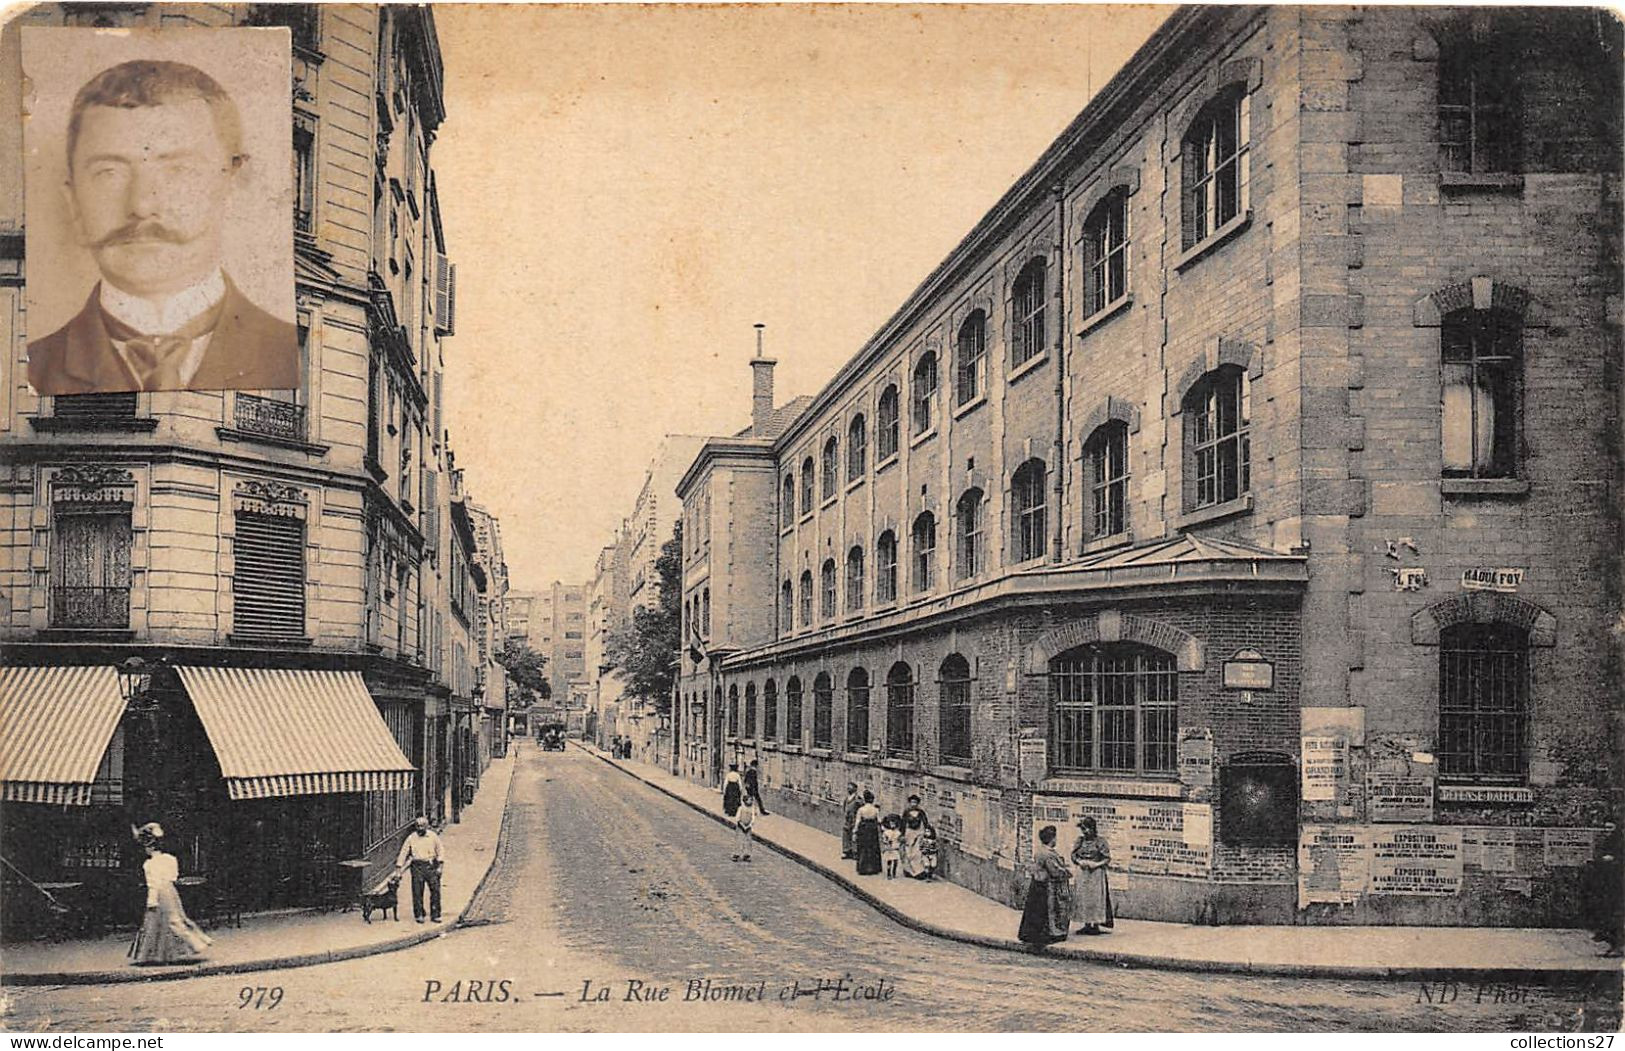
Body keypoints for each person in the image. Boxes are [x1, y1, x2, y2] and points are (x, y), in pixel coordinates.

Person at [28, 60, 298, 395]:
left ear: (233, 186)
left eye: (178, 171)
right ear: (73, 201)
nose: (142, 206)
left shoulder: (289, 353)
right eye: (109, 172)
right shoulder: (34, 366)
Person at [127, 822, 212, 965]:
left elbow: (153, 884)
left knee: (158, 923)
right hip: (171, 891)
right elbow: (174, 876)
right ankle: (186, 947)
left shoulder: (149, 864)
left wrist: (152, 900)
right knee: (176, 919)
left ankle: (159, 953)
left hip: (159, 892)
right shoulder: (171, 859)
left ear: (149, 847)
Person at [1018, 825, 1072, 947]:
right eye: (1055, 838)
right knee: (1049, 910)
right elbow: (1055, 871)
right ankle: (1049, 934)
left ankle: (1031, 933)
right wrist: (1066, 872)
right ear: (1052, 839)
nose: (1056, 840)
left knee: (1035, 910)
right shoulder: (1049, 854)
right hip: (1048, 886)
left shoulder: (1039, 851)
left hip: (1037, 884)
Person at [1583, 821, 1623, 957]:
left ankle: (1616, 946)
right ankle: (1612, 944)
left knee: (1614, 916)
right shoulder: (1605, 842)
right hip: (1607, 884)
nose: (1607, 830)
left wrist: (1613, 859)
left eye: (1610, 827)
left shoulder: (1619, 843)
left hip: (1618, 884)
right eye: (1605, 827)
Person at [395, 816, 444, 924]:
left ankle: (435, 914)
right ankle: (419, 914)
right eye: (418, 826)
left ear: (426, 826)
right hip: (417, 866)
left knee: (435, 890)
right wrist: (399, 869)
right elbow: (403, 853)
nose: (420, 828)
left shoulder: (433, 836)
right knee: (417, 891)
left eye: (422, 826)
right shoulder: (411, 838)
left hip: (431, 865)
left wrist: (440, 867)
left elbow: (440, 851)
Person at [1070, 817, 1114, 934]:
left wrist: (1096, 864)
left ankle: (1096, 924)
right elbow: (1073, 855)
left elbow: (1107, 858)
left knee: (1095, 899)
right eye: (1083, 829)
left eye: (1087, 829)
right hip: (1083, 874)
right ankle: (1086, 924)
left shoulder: (1100, 841)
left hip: (1096, 874)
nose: (1085, 832)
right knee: (1084, 898)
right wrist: (1079, 862)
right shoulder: (1080, 841)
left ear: (1093, 828)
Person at [852, 790, 882, 876]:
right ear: (872, 800)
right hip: (872, 829)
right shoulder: (875, 809)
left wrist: (854, 832)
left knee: (863, 847)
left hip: (864, 828)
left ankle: (863, 868)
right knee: (873, 847)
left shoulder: (861, 809)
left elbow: (857, 821)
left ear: (865, 800)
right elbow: (879, 820)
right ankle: (874, 868)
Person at [901, 795, 930, 879]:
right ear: (909, 803)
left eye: (915, 802)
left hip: (917, 832)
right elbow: (903, 823)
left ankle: (918, 872)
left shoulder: (921, 812)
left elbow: (925, 822)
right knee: (908, 852)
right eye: (912, 802)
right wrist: (902, 834)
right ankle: (908, 870)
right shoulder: (906, 812)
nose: (913, 804)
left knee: (917, 852)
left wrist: (925, 833)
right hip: (909, 833)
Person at [733, 796, 757, 862]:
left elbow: (753, 818)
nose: (751, 802)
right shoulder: (741, 808)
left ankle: (747, 854)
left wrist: (749, 825)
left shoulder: (752, 809)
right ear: (745, 801)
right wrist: (742, 825)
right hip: (740, 826)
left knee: (748, 841)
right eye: (749, 800)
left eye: (751, 800)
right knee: (739, 840)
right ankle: (736, 854)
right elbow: (737, 818)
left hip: (748, 827)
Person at [840, 783, 860, 859]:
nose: (848, 789)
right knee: (845, 835)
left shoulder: (857, 799)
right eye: (848, 788)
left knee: (854, 836)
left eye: (850, 788)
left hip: (854, 820)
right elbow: (844, 807)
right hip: (847, 820)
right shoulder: (846, 798)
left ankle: (854, 852)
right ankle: (846, 851)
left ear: (855, 789)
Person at [880, 814, 903, 879]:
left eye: (894, 824)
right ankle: (889, 873)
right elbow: (884, 840)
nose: (892, 825)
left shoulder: (898, 832)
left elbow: (899, 839)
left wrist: (900, 842)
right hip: (889, 848)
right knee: (889, 861)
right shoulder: (886, 832)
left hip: (895, 847)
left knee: (896, 861)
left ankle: (894, 872)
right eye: (891, 824)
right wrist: (886, 842)